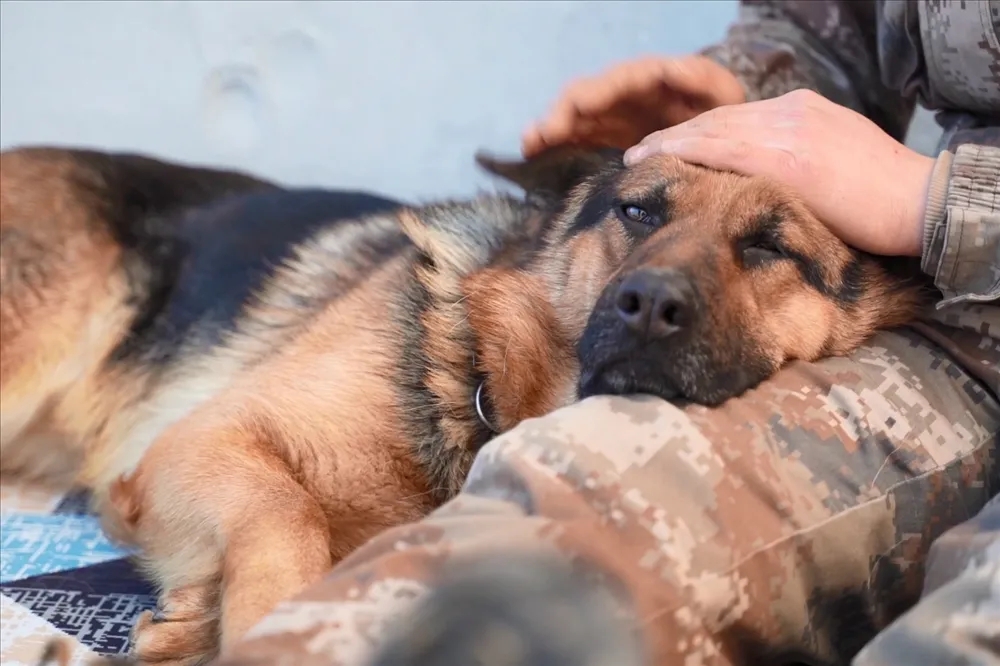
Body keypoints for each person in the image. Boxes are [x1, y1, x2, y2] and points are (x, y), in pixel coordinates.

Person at [213, 2, 998, 665]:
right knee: (557, 518)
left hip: (940, 250)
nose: (657, 289)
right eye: (642, 215)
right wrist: (739, 91)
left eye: (763, 246)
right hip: (960, 333)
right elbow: (834, 30)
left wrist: (940, 199)